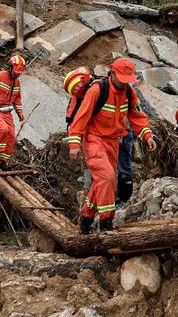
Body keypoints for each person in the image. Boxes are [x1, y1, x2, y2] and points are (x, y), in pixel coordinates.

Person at [67, 58, 156, 234]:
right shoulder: (97, 90)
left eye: (127, 79)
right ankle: (107, 221)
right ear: (112, 73)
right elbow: (81, 117)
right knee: (107, 177)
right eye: (121, 78)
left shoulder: (129, 93)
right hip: (93, 139)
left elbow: (137, 116)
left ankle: (86, 219)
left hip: (113, 141)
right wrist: (74, 143)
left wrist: (147, 135)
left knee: (102, 181)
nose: (124, 83)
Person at [64, 66, 136, 205]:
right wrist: (75, 143)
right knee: (106, 176)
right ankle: (100, 212)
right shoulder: (87, 94)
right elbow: (75, 120)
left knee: (116, 174)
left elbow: (129, 112)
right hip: (99, 138)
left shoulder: (101, 89)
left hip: (117, 135)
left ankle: (115, 203)